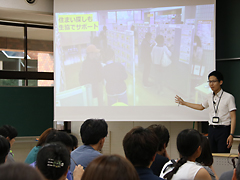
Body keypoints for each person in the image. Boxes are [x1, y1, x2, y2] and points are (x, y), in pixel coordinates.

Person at [175, 71, 237, 153]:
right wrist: (184, 103)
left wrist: (231, 134)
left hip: (224, 130)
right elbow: (201, 107)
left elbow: (233, 117)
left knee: (223, 155)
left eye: (214, 81)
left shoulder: (229, 97)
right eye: (210, 81)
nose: (211, 84)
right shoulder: (209, 96)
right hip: (212, 129)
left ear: (220, 82)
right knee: (211, 155)